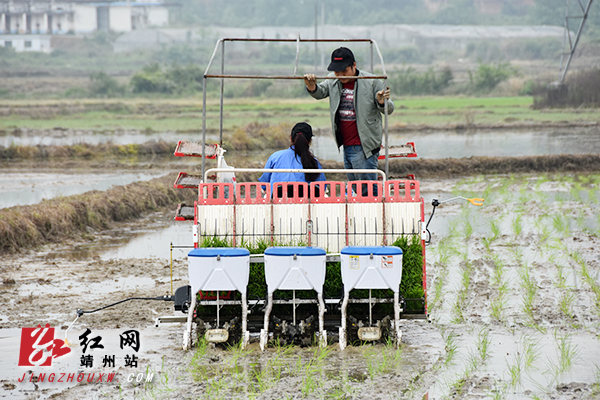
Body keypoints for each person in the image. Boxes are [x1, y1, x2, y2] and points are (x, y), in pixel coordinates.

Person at [303, 47, 394, 195]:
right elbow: (320, 92)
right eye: (337, 72)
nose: (340, 75)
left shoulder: (371, 81)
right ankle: (364, 214)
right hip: (346, 144)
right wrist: (311, 86)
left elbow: (389, 109)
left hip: (364, 146)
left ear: (354, 65)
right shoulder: (333, 80)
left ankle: (373, 215)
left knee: (366, 187)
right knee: (354, 186)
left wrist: (382, 101)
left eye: (344, 71)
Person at [258, 122, 326, 198]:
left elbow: (264, 184)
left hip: (279, 204)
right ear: (310, 141)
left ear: (291, 138)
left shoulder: (275, 157)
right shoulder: (314, 162)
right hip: (307, 206)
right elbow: (322, 187)